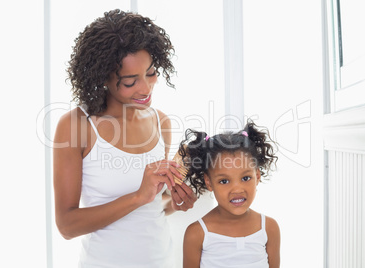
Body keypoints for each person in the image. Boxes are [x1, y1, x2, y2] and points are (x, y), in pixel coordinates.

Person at [53, 9, 197, 268]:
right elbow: (67, 226)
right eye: (130, 82)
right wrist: (138, 196)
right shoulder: (77, 126)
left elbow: (153, 208)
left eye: (151, 73)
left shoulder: (160, 122)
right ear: (103, 78)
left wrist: (175, 203)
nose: (146, 88)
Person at [180, 120, 281, 268]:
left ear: (257, 176)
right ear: (209, 182)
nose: (237, 189)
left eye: (245, 178)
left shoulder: (269, 228)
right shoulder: (197, 234)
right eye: (224, 181)